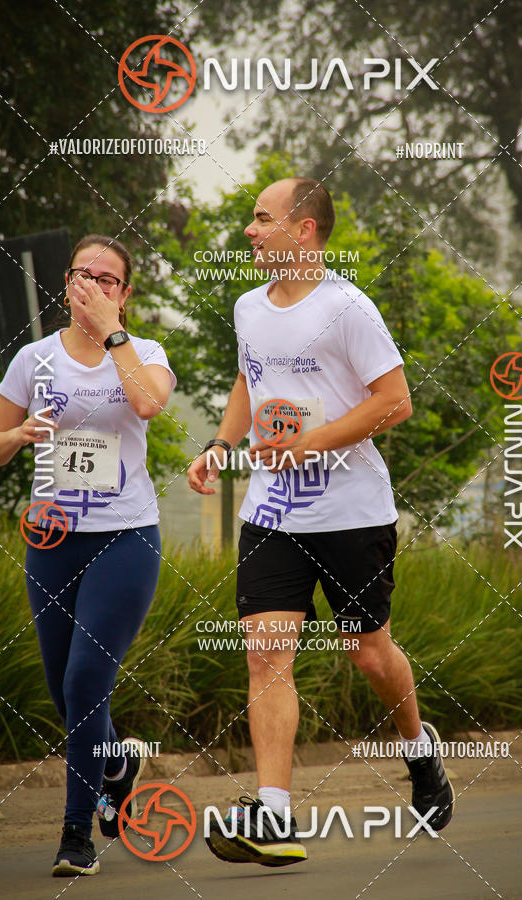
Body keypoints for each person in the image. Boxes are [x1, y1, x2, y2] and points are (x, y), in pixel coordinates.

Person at [188, 178, 454, 867]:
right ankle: (273, 814)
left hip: (351, 513)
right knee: (265, 653)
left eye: (261, 218)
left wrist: (310, 444)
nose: (250, 230)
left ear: (303, 230)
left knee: (367, 651)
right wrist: (221, 444)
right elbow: (248, 380)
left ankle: (418, 748)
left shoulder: (347, 309)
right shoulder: (248, 307)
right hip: (273, 511)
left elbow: (394, 401)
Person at [0, 235, 176, 876]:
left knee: (86, 680)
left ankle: (76, 834)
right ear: (65, 284)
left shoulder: (145, 353)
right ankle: (117, 763)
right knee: (64, 693)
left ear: (125, 293)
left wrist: (112, 332)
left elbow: (147, 402)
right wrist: (19, 433)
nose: (90, 284)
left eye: (106, 278)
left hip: (125, 535)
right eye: (80, 274)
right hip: (52, 538)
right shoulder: (34, 359)